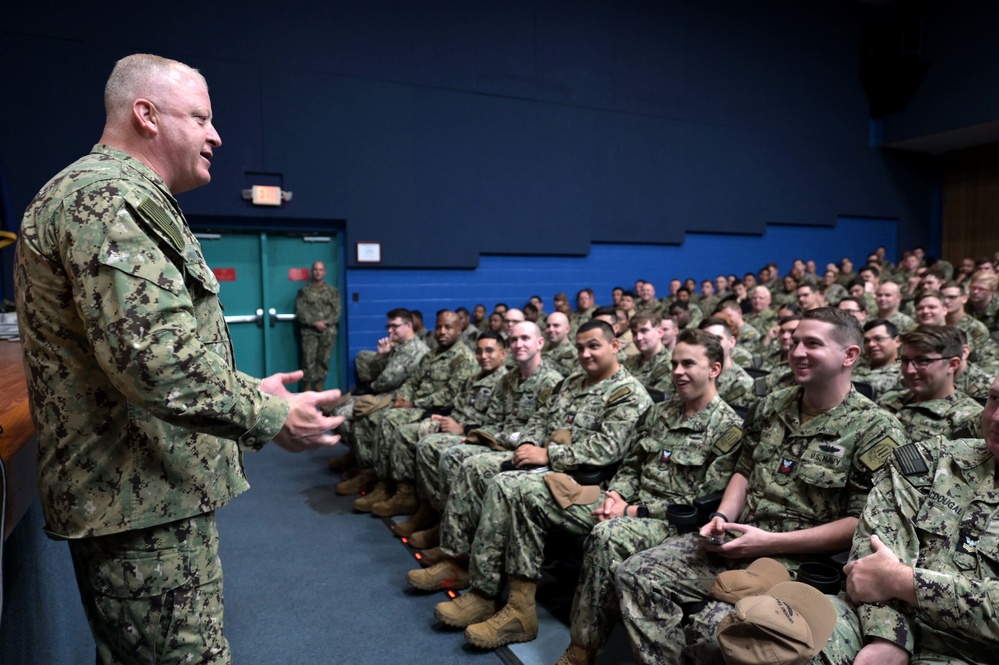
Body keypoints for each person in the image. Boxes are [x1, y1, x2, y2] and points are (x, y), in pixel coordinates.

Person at [13, 53, 343, 664]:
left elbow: (139, 348)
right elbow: (155, 362)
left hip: (141, 492)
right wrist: (270, 418)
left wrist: (250, 387)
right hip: (134, 499)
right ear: (147, 115)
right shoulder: (109, 201)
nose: (216, 135)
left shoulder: (118, 197)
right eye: (201, 118)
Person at [615, 307, 907, 664]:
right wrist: (721, 516)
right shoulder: (771, 405)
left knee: (715, 629)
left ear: (849, 355)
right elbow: (745, 469)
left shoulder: (876, 429)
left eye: (812, 343)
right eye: (795, 341)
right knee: (636, 574)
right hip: (737, 540)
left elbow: (862, 523)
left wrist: (772, 542)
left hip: (798, 560)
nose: (796, 351)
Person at [406, 321, 652, 604]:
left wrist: (549, 454)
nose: (585, 354)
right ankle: (459, 558)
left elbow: (608, 448)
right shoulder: (571, 382)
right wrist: (527, 444)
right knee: (474, 466)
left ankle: (486, 589)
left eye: (594, 346)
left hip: (586, 479)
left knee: (504, 483)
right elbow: (540, 418)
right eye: (581, 347)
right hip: (546, 463)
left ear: (615, 346)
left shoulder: (628, 393)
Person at [552, 329, 744, 664]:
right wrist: (615, 495)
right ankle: (583, 642)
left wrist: (632, 511)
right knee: (591, 518)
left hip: (676, 527)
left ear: (714, 369)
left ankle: (583, 647)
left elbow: (698, 505)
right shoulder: (660, 413)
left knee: (606, 535)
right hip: (631, 509)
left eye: (688, 364)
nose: (678, 372)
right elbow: (633, 464)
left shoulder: (728, 428)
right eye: (673, 364)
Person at [843, 372, 999, 664]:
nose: (997, 417)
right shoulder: (933, 460)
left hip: (972, 653)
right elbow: (874, 550)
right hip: (875, 620)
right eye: (994, 399)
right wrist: (889, 637)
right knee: (786, 630)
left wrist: (902, 581)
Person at [410, 321, 563, 555]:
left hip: (523, 451)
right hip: (498, 442)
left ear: (540, 343)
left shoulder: (551, 382)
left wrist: (490, 437)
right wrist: (478, 435)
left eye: (525, 339)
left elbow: (543, 432)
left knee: (459, 459)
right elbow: (492, 420)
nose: (518, 344)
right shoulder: (508, 380)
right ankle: (449, 528)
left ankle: (460, 543)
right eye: (514, 340)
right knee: (441, 448)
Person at [878, 325, 982, 442]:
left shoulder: (970, 418)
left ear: (952, 365)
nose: (909, 370)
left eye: (922, 361)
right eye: (905, 360)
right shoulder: (889, 400)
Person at [296, 260, 341, 391]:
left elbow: (337, 311)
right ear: (312, 271)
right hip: (309, 331)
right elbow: (301, 311)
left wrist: (325, 323)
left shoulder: (333, 291)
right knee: (308, 359)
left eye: (321, 270)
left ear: (324, 272)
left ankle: (320, 384)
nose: (318, 272)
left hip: (327, 330)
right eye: (316, 269)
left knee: (324, 358)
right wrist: (314, 323)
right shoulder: (304, 291)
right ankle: (308, 386)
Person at [853, 318, 902, 396]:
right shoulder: (855, 365)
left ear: (897, 341)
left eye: (879, 339)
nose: (871, 344)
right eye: (866, 341)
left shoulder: (904, 372)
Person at [542, 311, 577, 377]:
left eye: (556, 326)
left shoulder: (572, 355)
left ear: (567, 329)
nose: (551, 329)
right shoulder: (542, 348)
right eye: (548, 326)